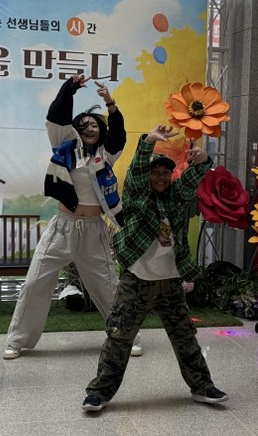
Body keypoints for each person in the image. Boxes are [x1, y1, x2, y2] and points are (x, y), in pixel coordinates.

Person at [82, 125, 229, 411]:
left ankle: (202, 387)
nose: (160, 177)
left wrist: (204, 160)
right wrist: (148, 141)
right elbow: (136, 172)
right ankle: (99, 393)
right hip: (136, 281)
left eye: (165, 173)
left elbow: (193, 177)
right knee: (119, 338)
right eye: (155, 172)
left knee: (185, 337)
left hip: (170, 283)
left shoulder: (176, 197)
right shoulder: (138, 196)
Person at [3, 74, 142, 359]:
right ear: (75, 131)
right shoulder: (65, 147)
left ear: (101, 131)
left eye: (94, 124)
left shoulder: (106, 154)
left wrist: (110, 104)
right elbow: (56, 117)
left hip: (93, 230)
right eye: (83, 125)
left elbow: (119, 134)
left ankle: (125, 337)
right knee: (35, 282)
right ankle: (17, 341)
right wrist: (69, 88)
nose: (89, 128)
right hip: (63, 228)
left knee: (108, 286)